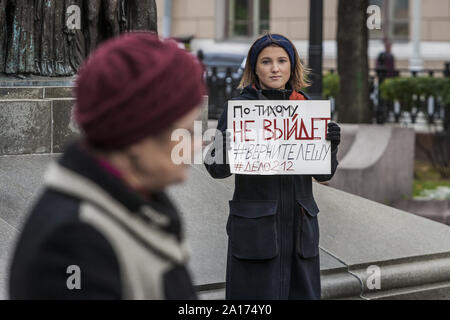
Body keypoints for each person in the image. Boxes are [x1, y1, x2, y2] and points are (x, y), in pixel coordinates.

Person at [9, 32, 205, 299]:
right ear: (138, 137)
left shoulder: (135, 202)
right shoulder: (73, 244)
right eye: (187, 131)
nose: (196, 144)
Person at [204, 33, 341, 300]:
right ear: (254, 68)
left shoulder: (305, 107)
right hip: (256, 234)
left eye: (281, 60)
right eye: (266, 61)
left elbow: (325, 174)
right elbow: (215, 169)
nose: (275, 68)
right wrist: (226, 143)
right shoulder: (240, 108)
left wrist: (331, 146)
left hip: (301, 234)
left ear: (292, 65)